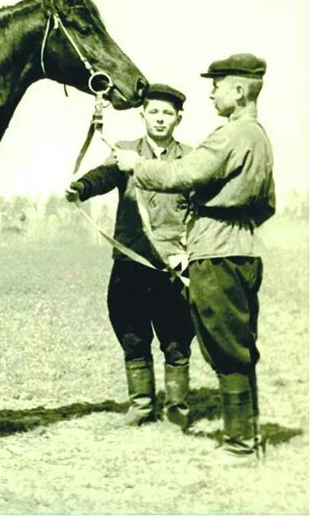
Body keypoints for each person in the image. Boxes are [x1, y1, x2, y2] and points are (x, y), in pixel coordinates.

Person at [113, 53, 275, 464]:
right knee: (241, 344)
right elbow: (267, 204)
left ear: (239, 91)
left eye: (217, 85)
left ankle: (238, 445)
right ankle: (248, 435)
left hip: (216, 253)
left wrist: (137, 165)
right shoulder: (260, 137)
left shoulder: (229, 135)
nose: (211, 92)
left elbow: (182, 175)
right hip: (245, 249)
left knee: (225, 348)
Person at [66, 83, 194, 429]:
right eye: (154, 111)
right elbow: (104, 176)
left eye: (167, 113)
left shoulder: (191, 159)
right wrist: (81, 186)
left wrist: (188, 251)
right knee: (133, 334)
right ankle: (140, 406)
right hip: (131, 262)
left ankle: (176, 410)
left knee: (177, 338)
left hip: (174, 265)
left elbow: (200, 209)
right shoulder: (124, 152)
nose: (160, 118)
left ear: (179, 118)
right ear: (143, 115)